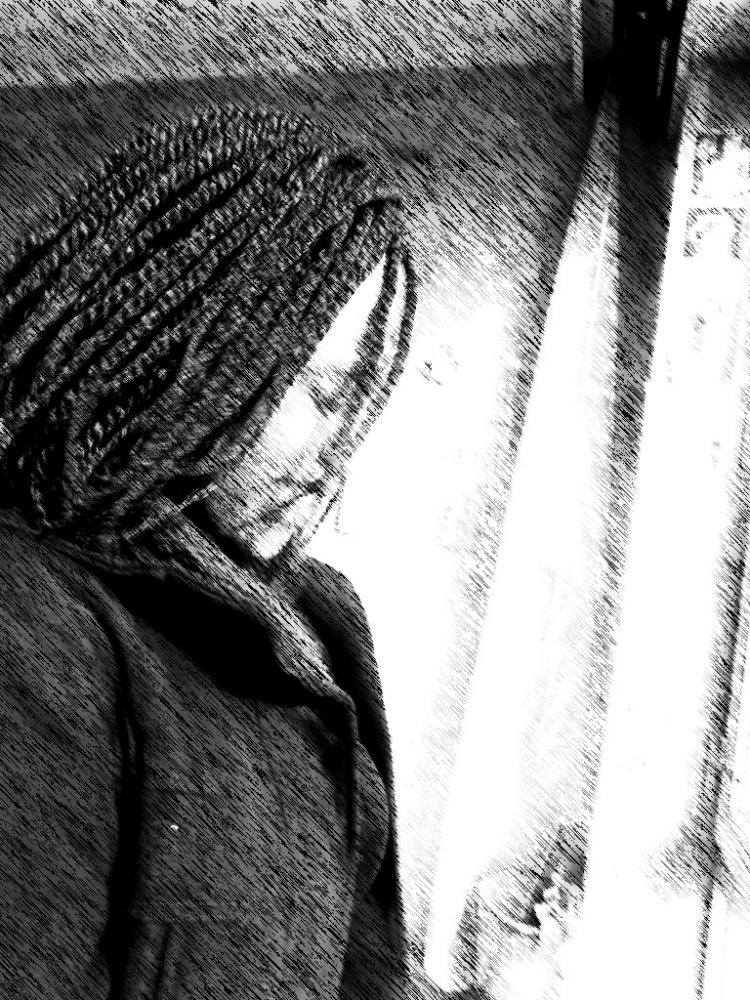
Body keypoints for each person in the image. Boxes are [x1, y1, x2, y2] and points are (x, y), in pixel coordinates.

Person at [0, 104, 417, 999]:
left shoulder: (324, 618)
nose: (338, 451)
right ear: (169, 359)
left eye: (361, 403)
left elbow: (365, 966)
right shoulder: (30, 612)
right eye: (322, 394)